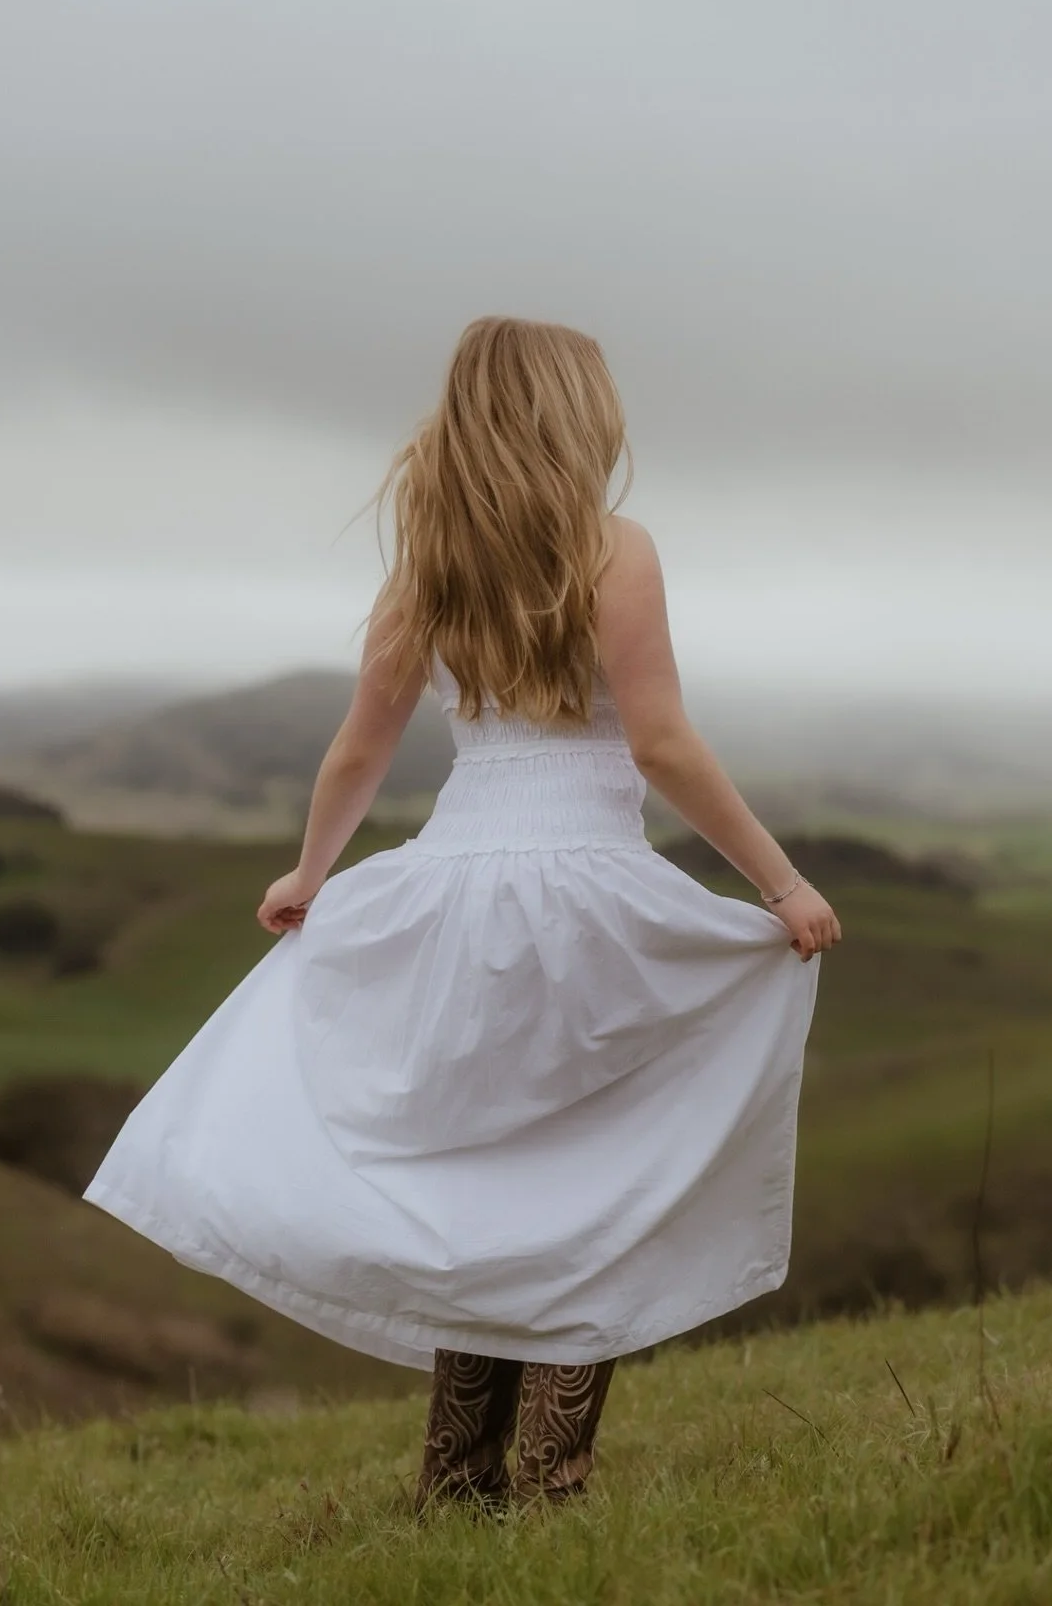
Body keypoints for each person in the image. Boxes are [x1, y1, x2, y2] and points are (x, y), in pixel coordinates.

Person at [84, 316, 840, 1511]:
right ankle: (551, 1481)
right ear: (575, 416)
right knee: (597, 1184)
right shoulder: (616, 548)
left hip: (449, 897)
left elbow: (359, 751)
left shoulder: (427, 563)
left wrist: (308, 874)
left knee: (484, 1186)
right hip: (589, 895)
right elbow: (660, 742)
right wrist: (780, 884)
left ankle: (454, 1486)